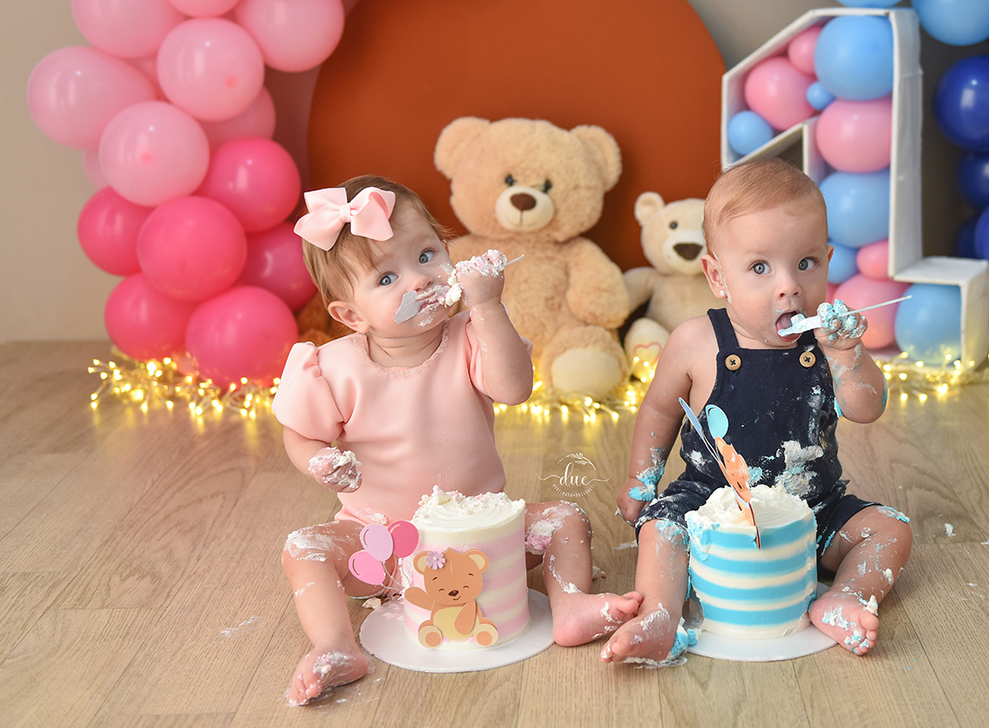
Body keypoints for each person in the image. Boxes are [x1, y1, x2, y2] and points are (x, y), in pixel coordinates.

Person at [274, 175, 641, 705]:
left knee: (566, 519)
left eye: (427, 255)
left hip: (483, 535)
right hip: (383, 542)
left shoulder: (470, 335)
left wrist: (489, 307)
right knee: (303, 548)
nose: (420, 280)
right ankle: (335, 645)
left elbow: (514, 389)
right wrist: (319, 462)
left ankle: (571, 606)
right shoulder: (332, 369)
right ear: (350, 315)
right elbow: (300, 436)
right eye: (386, 278)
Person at [603, 158, 912, 664]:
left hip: (811, 509)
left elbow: (867, 408)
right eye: (760, 268)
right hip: (708, 506)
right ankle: (660, 614)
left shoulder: (829, 345)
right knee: (662, 528)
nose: (789, 286)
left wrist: (848, 356)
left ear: (828, 261)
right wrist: (643, 477)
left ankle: (845, 597)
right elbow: (659, 410)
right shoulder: (695, 342)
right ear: (717, 276)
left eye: (806, 263)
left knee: (891, 529)